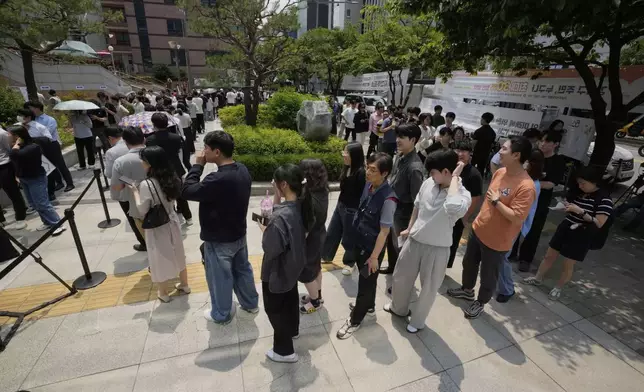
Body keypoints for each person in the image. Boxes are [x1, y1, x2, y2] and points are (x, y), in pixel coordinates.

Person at [447, 136, 536, 319]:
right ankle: (467, 290)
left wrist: (497, 202)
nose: (499, 152)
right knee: (468, 264)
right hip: (478, 230)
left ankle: (480, 302)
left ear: (516, 155)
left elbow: (517, 218)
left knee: (488, 276)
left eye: (504, 149)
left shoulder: (526, 187)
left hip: (497, 241)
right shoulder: (500, 172)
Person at [385, 150, 471, 333]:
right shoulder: (428, 183)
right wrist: (410, 227)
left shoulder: (462, 195)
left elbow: (453, 206)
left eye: (433, 172)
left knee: (428, 289)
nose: (430, 176)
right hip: (414, 240)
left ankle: (417, 321)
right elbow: (417, 206)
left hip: (437, 248)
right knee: (400, 277)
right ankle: (398, 308)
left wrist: (455, 178)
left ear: (447, 172)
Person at [182, 131, 259, 323]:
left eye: (206, 148)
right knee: (243, 270)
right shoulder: (242, 169)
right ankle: (250, 304)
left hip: (219, 239)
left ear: (216, 152)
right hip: (239, 233)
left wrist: (197, 166)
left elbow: (187, 191)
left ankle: (221, 313)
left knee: (220, 278)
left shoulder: (216, 180)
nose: (203, 152)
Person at [523, 166, 613, 300]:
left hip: (581, 232)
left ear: (594, 182)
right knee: (549, 255)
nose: (580, 186)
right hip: (566, 226)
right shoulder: (579, 192)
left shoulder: (605, 200)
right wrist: (566, 206)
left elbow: (598, 223)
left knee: (568, 263)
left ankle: (558, 288)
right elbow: (572, 206)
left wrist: (581, 212)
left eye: (583, 183)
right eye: (579, 183)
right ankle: (537, 278)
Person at [336, 153, 398, 339]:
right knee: (368, 281)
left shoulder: (388, 199)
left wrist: (373, 257)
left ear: (385, 173)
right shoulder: (369, 186)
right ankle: (369, 307)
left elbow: (384, 232)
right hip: (360, 241)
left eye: (373, 170)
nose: (368, 173)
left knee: (365, 284)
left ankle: (355, 320)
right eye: (367, 167)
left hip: (372, 249)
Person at [260, 164, 312, 362]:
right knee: (289, 298)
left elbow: (270, 248)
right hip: (293, 265)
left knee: (275, 308)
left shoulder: (279, 218)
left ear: (283, 184)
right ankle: (293, 330)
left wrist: (265, 231)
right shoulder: (301, 205)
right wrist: (277, 196)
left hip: (277, 269)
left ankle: (284, 351)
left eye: (275, 183)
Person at [130, 146, 189, 302]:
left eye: (143, 160)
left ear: (150, 163)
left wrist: (135, 193)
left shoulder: (147, 184)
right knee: (178, 252)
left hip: (158, 225)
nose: (141, 162)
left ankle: (163, 293)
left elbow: (143, 210)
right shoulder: (173, 177)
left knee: (159, 256)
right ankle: (184, 284)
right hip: (173, 220)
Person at [513, 131, 567, 272]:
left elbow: (551, 183)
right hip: (523, 198)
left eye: (548, 142)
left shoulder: (558, 161)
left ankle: (525, 258)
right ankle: (510, 251)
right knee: (515, 223)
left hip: (540, 201)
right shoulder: (534, 154)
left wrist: (533, 184)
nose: (543, 144)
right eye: (542, 141)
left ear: (556, 145)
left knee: (534, 229)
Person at [496, 148, 543, 302]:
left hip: (514, 224)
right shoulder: (522, 178)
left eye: (526, 161)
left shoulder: (531, 184)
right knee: (500, 255)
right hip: (506, 222)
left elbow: (523, 212)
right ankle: (500, 284)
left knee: (503, 257)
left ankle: (507, 288)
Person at [380, 123, 424, 276]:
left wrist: (412, 224)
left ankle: (401, 279)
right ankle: (392, 267)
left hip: (404, 213)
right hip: (393, 208)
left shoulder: (415, 167)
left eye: (402, 137)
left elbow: (417, 200)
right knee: (391, 243)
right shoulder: (400, 156)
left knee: (401, 248)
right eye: (397, 136)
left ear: (413, 140)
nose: (398, 140)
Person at [7, 125, 66, 235]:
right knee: (34, 203)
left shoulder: (33, 147)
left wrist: (16, 145)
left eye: (10, 135)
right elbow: (17, 162)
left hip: (36, 178)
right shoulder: (19, 147)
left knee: (42, 203)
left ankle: (57, 224)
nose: (8, 137)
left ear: (18, 136)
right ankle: (47, 222)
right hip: (24, 178)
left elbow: (13, 156)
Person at [321, 142, 366, 275]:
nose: (344, 155)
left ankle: (350, 263)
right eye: (344, 152)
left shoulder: (361, 173)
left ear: (354, 155)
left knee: (349, 237)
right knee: (333, 231)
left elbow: (363, 194)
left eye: (346, 153)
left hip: (352, 209)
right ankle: (326, 255)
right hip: (341, 205)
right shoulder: (346, 168)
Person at [146, 113, 193, 226]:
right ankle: (188, 217)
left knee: (162, 193)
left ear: (154, 124)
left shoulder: (150, 140)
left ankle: (168, 216)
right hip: (175, 167)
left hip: (159, 170)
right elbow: (180, 152)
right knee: (180, 193)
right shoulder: (176, 137)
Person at [298, 159, 329, 314]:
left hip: (310, 240)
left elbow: (305, 228)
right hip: (320, 234)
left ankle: (315, 302)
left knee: (306, 271)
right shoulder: (322, 190)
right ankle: (317, 295)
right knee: (316, 267)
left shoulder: (308, 198)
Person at [111, 127, 148, 251]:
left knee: (143, 230)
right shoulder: (156, 153)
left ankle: (146, 246)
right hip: (161, 201)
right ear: (144, 138)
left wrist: (128, 182)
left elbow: (117, 187)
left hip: (136, 203)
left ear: (125, 141)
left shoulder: (120, 162)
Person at [448, 141, 483, 268]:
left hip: (459, 215)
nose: (460, 154)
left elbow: (476, 198)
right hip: (446, 211)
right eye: (458, 150)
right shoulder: (450, 167)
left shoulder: (474, 174)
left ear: (470, 154)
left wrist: (465, 217)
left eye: (464, 151)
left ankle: (444, 267)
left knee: (452, 242)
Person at [25, 103, 75, 193]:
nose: (29, 111)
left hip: (51, 144)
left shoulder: (49, 119)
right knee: (48, 165)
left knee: (60, 164)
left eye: (30, 108)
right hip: (39, 146)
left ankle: (70, 183)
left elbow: (47, 133)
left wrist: (34, 135)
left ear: (37, 108)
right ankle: (59, 182)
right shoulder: (31, 121)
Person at [0, 126, 27, 230]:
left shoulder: (2, 134)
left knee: (13, 192)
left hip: (4, 166)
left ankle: (20, 217)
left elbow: (10, 150)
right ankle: (1, 219)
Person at [471, 112, 496, 178]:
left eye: (481, 119)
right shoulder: (493, 133)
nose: (480, 120)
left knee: (472, 171)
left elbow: (473, 144)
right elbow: (492, 145)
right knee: (481, 171)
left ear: (484, 119)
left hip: (476, 155)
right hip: (485, 156)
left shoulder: (479, 131)